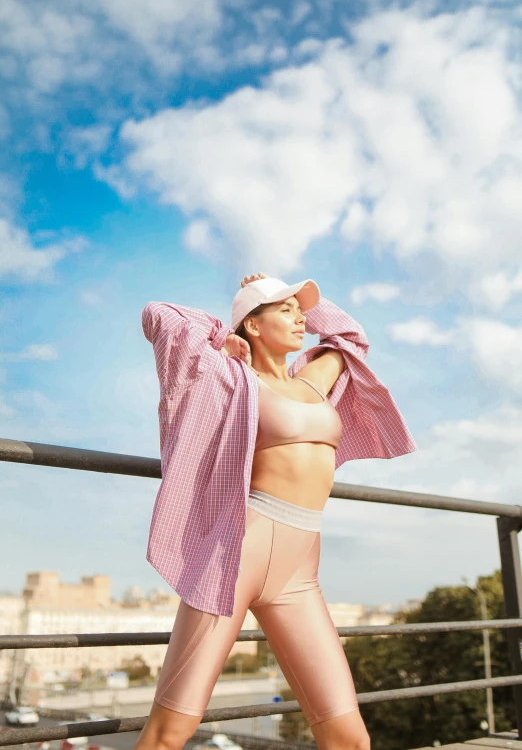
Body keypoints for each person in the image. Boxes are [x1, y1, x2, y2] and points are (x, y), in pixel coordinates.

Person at [136, 273, 416, 750]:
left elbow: (351, 338)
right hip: (236, 556)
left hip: (300, 572)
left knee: (350, 738)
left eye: (299, 309)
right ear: (253, 325)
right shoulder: (228, 379)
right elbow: (157, 315)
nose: (300, 317)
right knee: (169, 734)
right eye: (284, 310)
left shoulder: (313, 380)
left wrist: (302, 297)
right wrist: (222, 337)